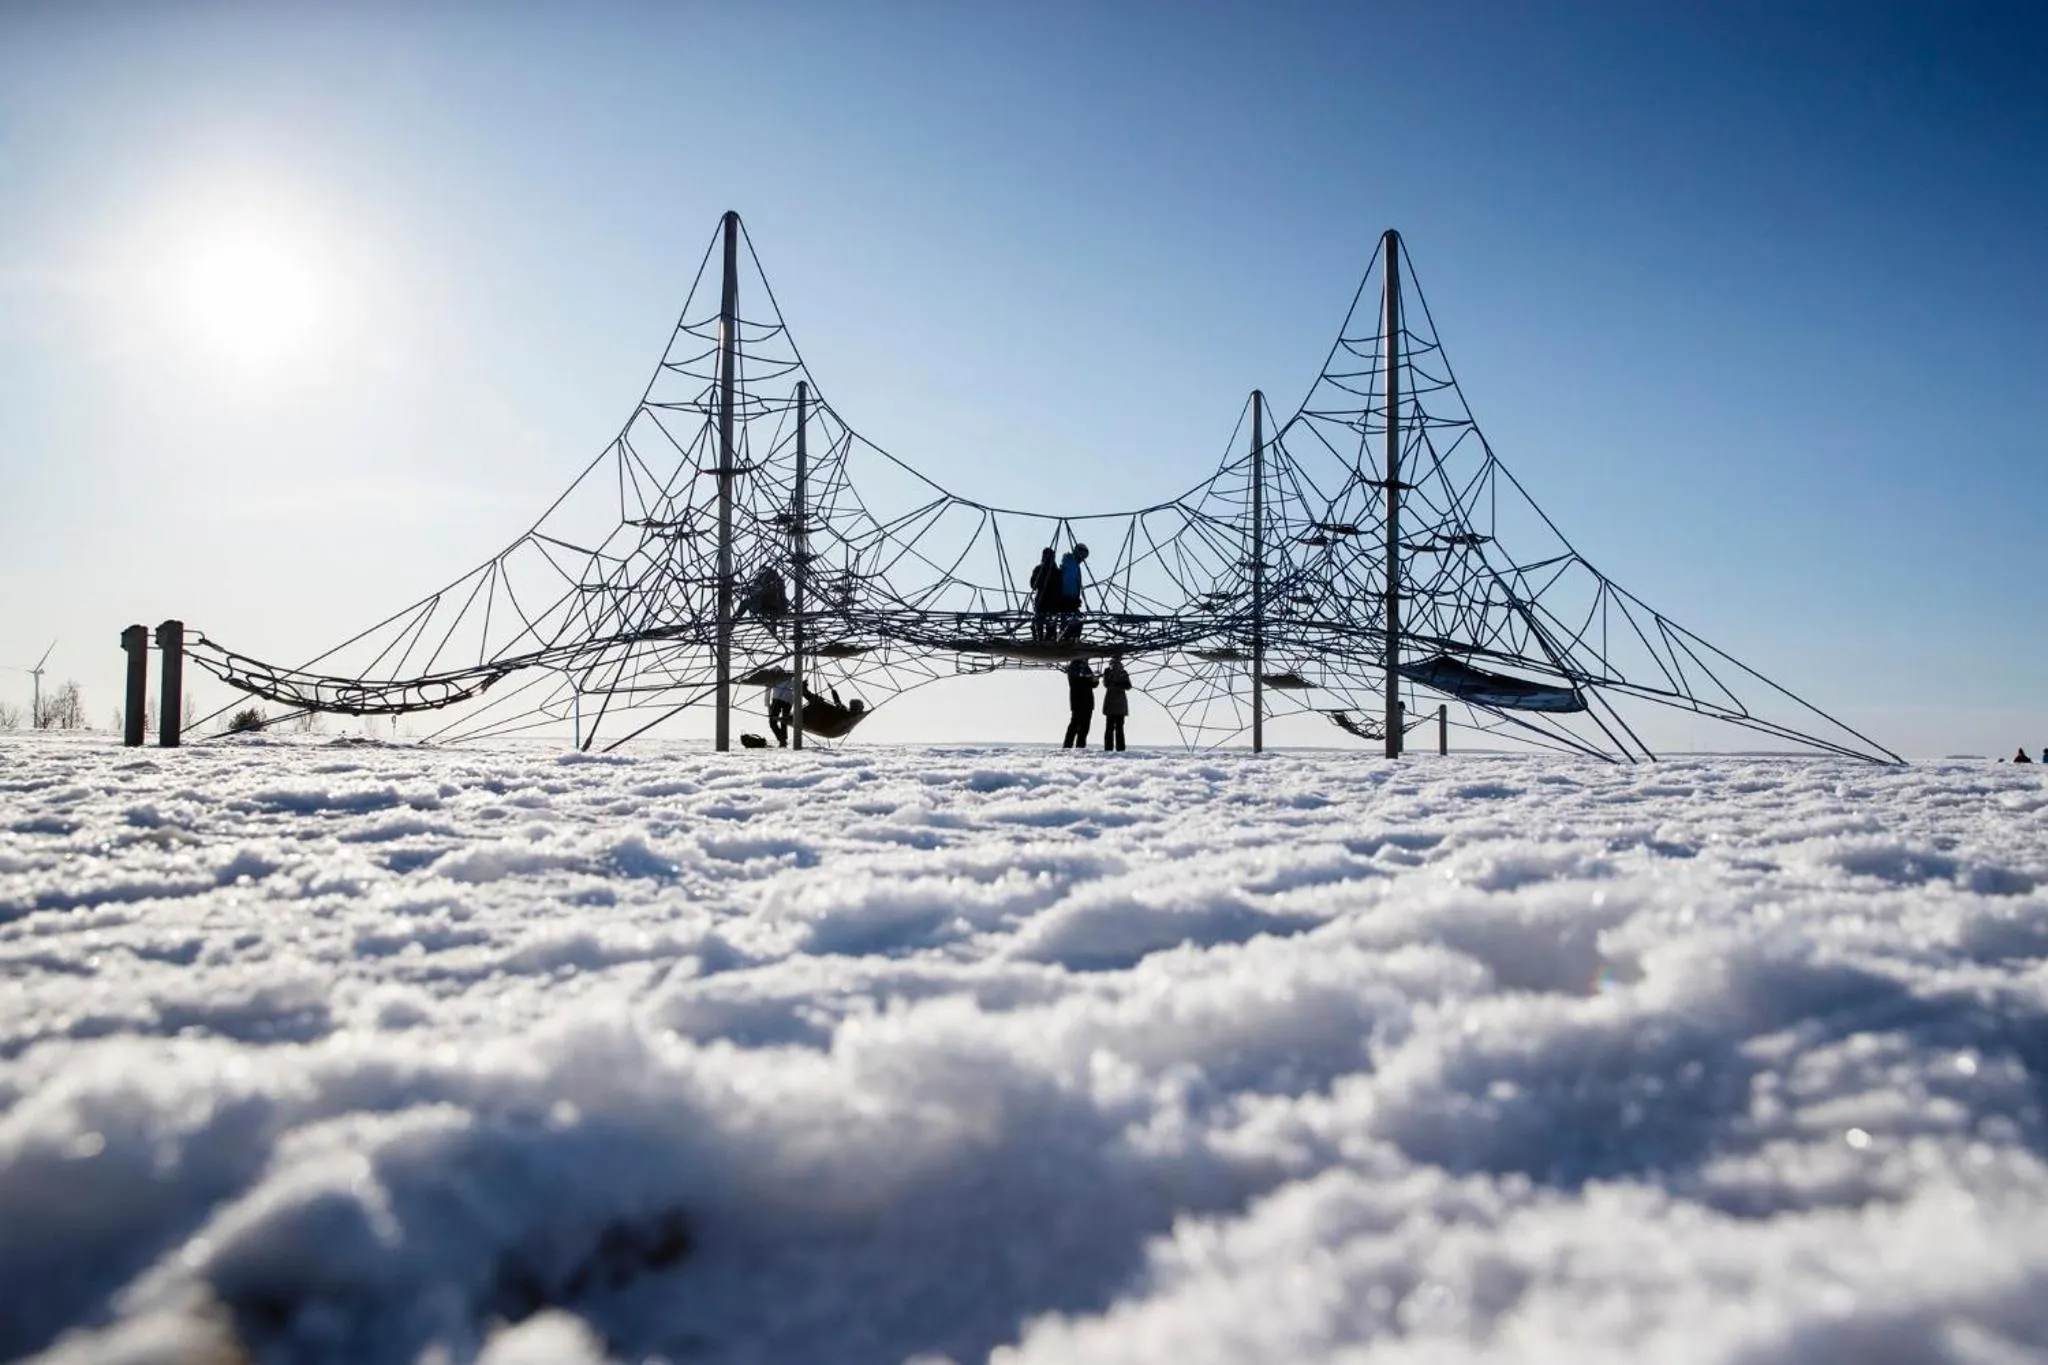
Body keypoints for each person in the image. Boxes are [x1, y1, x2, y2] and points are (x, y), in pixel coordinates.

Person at [1057, 544, 1090, 644]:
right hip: (1066, 598)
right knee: (1070, 620)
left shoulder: (1075, 565)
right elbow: (1068, 581)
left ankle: (1071, 639)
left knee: (1075, 620)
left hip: (1071, 599)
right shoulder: (1070, 563)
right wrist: (1070, 597)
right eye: (1082, 556)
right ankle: (1066, 639)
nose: (1082, 559)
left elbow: (1075, 583)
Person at [1063, 657, 1097, 749]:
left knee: (1084, 726)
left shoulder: (1086, 668)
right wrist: (1089, 678)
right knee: (1075, 724)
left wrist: (1094, 680)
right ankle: (1068, 746)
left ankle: (1080, 746)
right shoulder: (1073, 667)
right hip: (1078, 700)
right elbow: (1077, 680)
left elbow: (1093, 684)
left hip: (1088, 701)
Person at [1028, 547, 1060, 642]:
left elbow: (1033, 585)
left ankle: (1045, 640)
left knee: (1048, 623)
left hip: (1050, 602)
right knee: (1041, 623)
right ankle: (1042, 639)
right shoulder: (1040, 569)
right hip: (1043, 601)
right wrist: (1041, 581)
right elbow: (1033, 585)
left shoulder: (1055, 572)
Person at [1100, 654, 1131, 751]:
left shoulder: (1112, 671)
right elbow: (1128, 686)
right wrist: (1119, 684)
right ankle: (1119, 749)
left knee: (1111, 727)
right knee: (1118, 728)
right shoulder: (1121, 672)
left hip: (1113, 703)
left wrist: (1116, 683)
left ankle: (1109, 748)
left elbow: (1107, 684)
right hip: (1118, 703)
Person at [766, 678, 794, 746]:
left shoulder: (772, 678)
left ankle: (782, 740)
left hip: (778, 700)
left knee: (772, 722)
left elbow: (767, 692)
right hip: (788, 700)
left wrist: (768, 705)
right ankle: (783, 740)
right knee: (784, 721)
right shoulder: (789, 678)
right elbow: (796, 687)